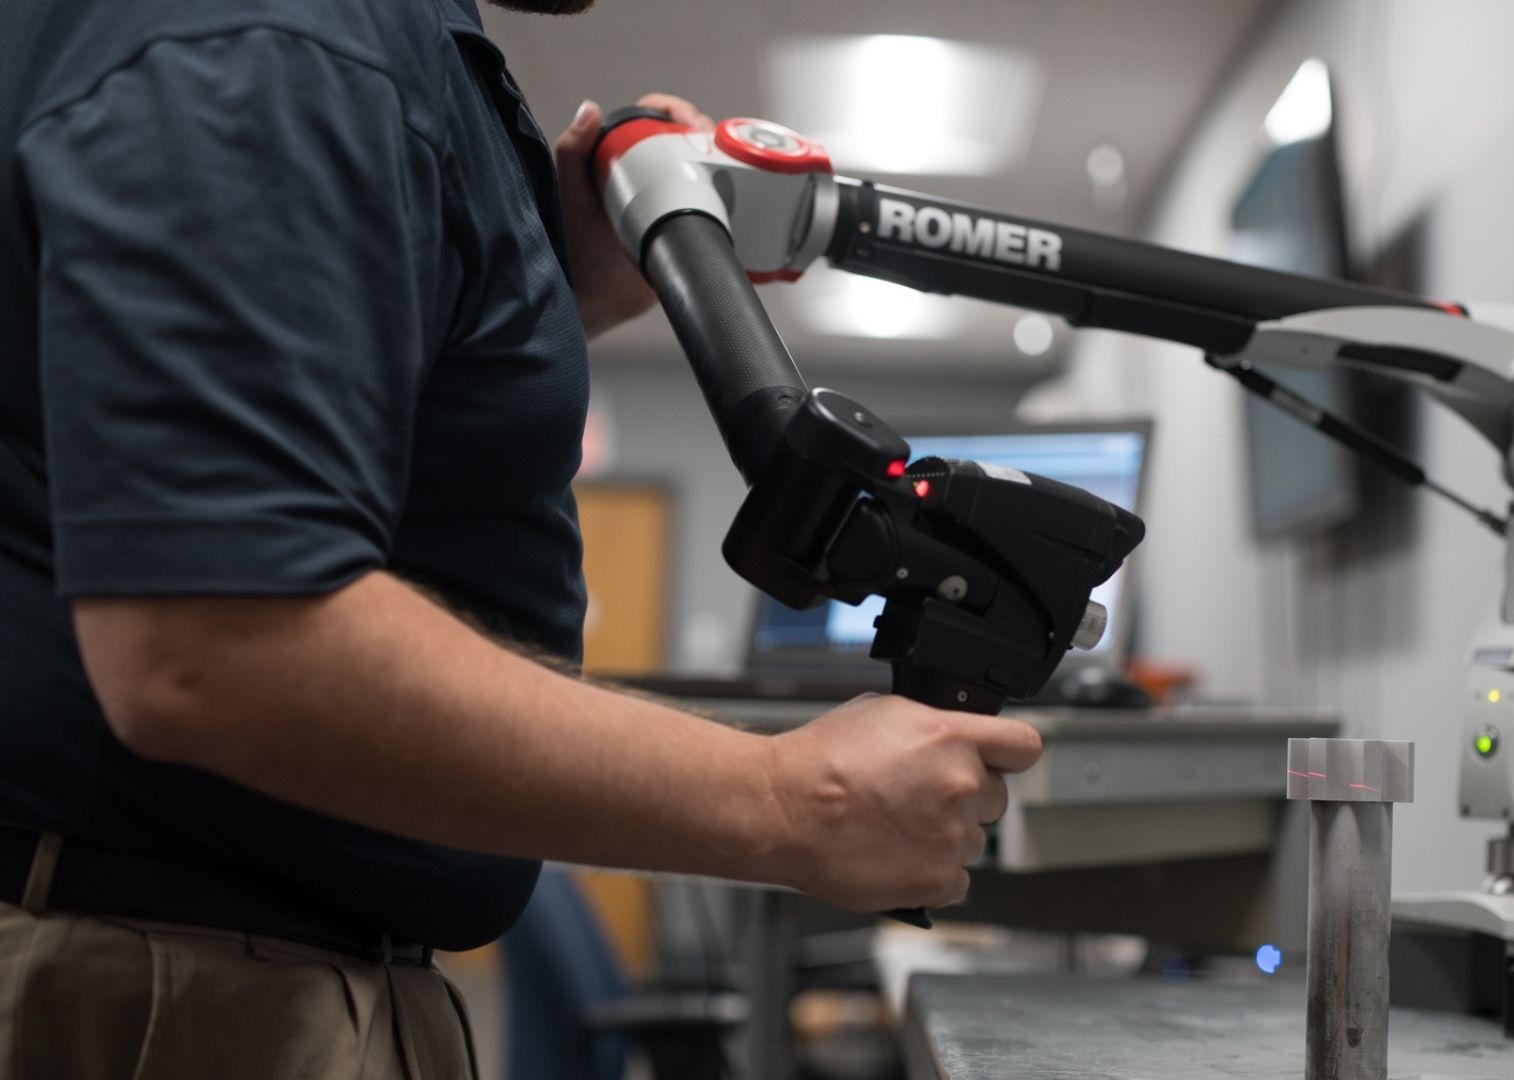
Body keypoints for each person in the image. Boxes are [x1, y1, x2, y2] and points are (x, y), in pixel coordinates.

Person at [0, 0, 1041, 1075]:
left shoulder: (368, 41)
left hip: (228, 959)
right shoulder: (281, 34)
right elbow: (219, 639)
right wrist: (793, 801)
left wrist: (546, 274)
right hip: (168, 987)